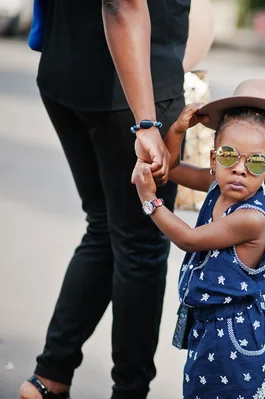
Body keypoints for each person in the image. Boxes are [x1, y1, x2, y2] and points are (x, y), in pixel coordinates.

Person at [19, 0, 213, 398]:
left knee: (105, 228)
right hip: (132, 94)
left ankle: (49, 378)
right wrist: (145, 122)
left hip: (66, 71)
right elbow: (122, 5)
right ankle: (129, 391)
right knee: (140, 245)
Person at [130, 78, 265, 398]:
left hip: (232, 335)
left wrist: (150, 200)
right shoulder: (218, 185)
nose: (239, 169)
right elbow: (170, 168)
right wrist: (178, 130)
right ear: (213, 161)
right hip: (208, 328)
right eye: (229, 156)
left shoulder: (250, 219)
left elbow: (188, 238)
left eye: (255, 163)